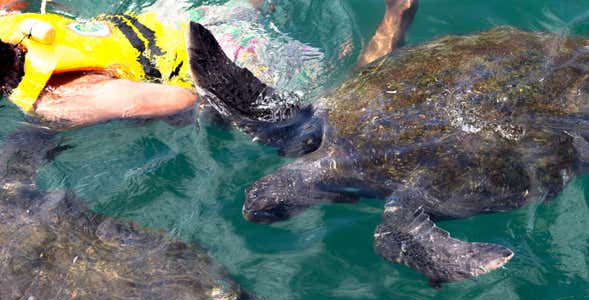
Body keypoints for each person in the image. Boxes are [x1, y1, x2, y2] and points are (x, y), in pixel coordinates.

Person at [0, 0, 418, 128]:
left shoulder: (55, 99)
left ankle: (396, 16)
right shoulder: (7, 23)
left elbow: (178, 100)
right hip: (178, 14)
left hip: (227, 54)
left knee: (341, 109)